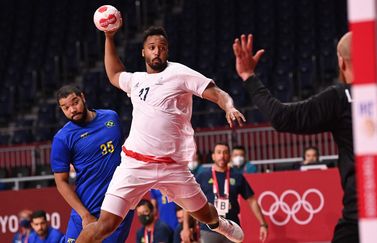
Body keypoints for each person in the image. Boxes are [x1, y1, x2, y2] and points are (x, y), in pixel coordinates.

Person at [233, 33, 377, 242]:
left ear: (342, 62)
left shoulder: (341, 97)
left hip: (366, 213)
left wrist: (249, 76)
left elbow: (281, 118)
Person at [76, 24, 245, 243]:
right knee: (105, 224)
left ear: (167, 51)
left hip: (172, 166)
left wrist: (229, 107)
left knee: (205, 215)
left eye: (162, 47)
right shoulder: (137, 80)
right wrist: (109, 37)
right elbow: (115, 74)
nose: (157, 51)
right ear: (143, 51)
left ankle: (219, 224)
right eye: (152, 47)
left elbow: (217, 93)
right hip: (135, 164)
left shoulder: (180, 73)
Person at [50, 85, 134, 242]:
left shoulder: (111, 117)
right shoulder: (62, 139)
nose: (72, 110)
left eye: (75, 102)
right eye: (65, 108)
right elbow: (60, 182)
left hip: (117, 206)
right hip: (87, 208)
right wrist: (84, 214)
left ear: (83, 97)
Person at [193, 142, 268, 243]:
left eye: (225, 153)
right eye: (219, 152)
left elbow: (252, 201)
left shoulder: (237, 176)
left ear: (229, 156)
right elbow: (191, 200)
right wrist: (186, 227)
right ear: (213, 156)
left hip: (232, 229)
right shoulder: (202, 176)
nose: (222, 156)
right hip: (208, 229)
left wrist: (263, 224)